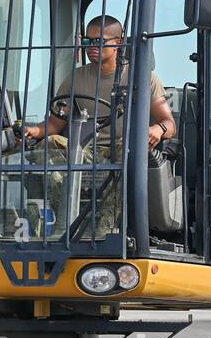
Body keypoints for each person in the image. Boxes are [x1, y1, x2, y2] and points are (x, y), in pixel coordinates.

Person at [17, 15, 176, 238]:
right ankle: (66, 219)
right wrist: (35, 131)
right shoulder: (75, 78)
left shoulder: (143, 78)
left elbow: (169, 124)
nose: (92, 47)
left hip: (121, 151)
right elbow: (55, 123)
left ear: (118, 43)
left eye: (100, 41)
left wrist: (157, 129)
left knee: (128, 147)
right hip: (84, 153)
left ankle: (104, 229)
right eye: (88, 42)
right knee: (51, 144)